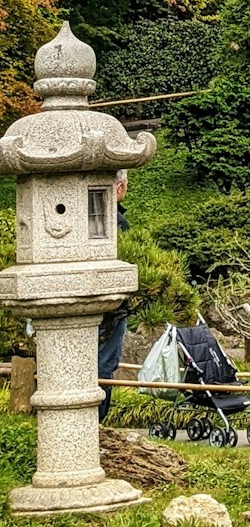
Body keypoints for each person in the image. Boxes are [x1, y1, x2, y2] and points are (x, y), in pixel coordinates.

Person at [97, 170, 130, 422]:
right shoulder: (117, 222)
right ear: (118, 187)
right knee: (105, 365)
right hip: (113, 306)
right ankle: (97, 422)